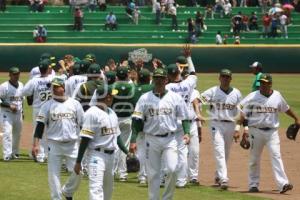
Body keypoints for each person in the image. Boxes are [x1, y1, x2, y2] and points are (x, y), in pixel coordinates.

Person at [130, 68, 190, 200]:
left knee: (172, 169)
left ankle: (167, 197)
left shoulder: (175, 97)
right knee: (153, 173)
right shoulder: (145, 98)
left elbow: (185, 117)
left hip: (170, 139)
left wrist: (187, 133)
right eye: (156, 78)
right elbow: (136, 119)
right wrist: (133, 139)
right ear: (153, 79)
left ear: (166, 80)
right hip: (151, 139)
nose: (159, 81)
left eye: (161, 78)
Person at [235, 73, 300, 194]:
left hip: (272, 133)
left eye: (265, 83)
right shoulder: (252, 96)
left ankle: (283, 184)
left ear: (270, 84)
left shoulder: (277, 96)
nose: (262, 85)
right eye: (261, 83)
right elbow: (241, 110)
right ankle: (253, 184)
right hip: (256, 131)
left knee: (276, 156)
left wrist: (296, 118)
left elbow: (286, 108)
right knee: (254, 159)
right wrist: (241, 128)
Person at [32, 77, 84, 200]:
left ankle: (67, 191)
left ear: (63, 88)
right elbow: (40, 126)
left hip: (72, 145)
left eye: (57, 87)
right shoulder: (47, 106)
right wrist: (35, 144)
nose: (54, 89)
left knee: (79, 172)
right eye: (52, 87)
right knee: (53, 175)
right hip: (54, 144)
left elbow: (83, 123)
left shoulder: (75, 104)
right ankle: (56, 198)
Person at [74, 84, 129, 200]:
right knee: (96, 188)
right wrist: (79, 161)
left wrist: (127, 152)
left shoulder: (111, 112)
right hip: (96, 156)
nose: (113, 98)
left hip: (111, 156)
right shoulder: (91, 113)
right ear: (104, 97)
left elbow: (117, 136)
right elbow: (85, 139)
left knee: (108, 190)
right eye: (110, 95)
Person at [200, 69, 242, 190]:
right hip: (216, 124)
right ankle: (224, 179)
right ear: (219, 78)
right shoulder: (213, 91)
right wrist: (198, 113)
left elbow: (241, 113)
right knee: (219, 151)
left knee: (226, 152)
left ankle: (218, 175)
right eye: (223, 76)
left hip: (230, 125)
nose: (225, 78)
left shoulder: (237, 93)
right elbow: (198, 99)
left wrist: (238, 129)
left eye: (227, 77)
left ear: (230, 79)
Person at [22, 59, 54, 162]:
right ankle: (48, 154)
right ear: (48, 68)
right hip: (51, 108)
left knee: (38, 131)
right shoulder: (53, 78)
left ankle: (39, 155)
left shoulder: (34, 80)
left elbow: (25, 92)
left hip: (38, 109)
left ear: (39, 69)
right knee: (50, 132)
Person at [112, 66, 135, 182]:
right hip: (127, 119)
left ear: (117, 76)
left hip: (114, 118)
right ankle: (122, 173)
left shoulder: (112, 87)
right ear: (127, 75)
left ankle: (112, 171)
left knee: (114, 145)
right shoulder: (132, 87)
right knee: (124, 147)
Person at [131, 69, 153, 184]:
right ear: (149, 78)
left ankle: (142, 176)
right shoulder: (152, 88)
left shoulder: (134, 90)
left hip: (139, 123)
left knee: (141, 151)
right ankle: (151, 174)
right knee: (153, 151)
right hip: (152, 124)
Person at [0, 67, 24, 161]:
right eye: (14, 74)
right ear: (9, 75)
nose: (16, 76)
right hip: (7, 113)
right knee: (7, 133)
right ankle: (7, 155)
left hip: (18, 114)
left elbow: (22, 100)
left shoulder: (21, 85)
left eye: (17, 74)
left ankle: (15, 153)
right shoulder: (4, 86)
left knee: (17, 134)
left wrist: (23, 112)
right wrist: (9, 105)